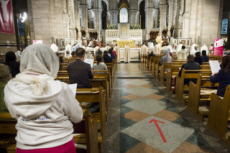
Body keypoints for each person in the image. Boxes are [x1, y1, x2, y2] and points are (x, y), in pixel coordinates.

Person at [4, 44, 83, 152]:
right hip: (60, 143)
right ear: (50, 62)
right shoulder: (60, 88)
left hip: (26, 144)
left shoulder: (11, 87)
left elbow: (15, 114)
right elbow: (77, 117)